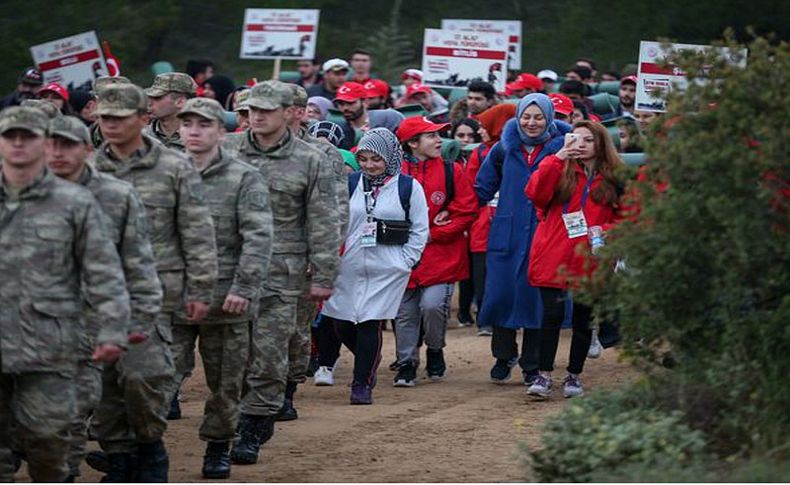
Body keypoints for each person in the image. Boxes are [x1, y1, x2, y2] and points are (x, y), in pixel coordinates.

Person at [90, 83, 218, 481]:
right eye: (104, 118)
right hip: (96, 295)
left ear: (143, 120)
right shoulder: (87, 168)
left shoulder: (174, 167)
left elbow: (197, 233)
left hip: (158, 294)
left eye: (119, 118)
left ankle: (150, 446)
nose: (109, 125)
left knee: (143, 376)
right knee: (104, 385)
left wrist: (201, 288)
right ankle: (121, 458)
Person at [0, 106, 130, 482]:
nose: (19, 144)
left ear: (43, 144)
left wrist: (111, 329)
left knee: (49, 441)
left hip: (51, 347)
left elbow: (104, 270)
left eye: (29, 136)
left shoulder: (73, 202)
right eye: (10, 137)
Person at [223, 81, 342, 466]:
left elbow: (325, 220)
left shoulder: (312, 159)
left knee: (270, 355)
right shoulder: (225, 151)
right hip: (230, 270)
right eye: (250, 110)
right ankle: (230, 423)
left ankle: (253, 429)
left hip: (282, 272)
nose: (256, 116)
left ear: (288, 112)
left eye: (265, 110)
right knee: (230, 356)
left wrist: (323, 272)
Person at [44, 115, 163, 482]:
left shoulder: (115, 195)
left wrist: (140, 319)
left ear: (88, 151)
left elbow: (138, 261)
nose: (58, 153)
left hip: (101, 318)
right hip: (38, 322)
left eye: (68, 145)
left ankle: (141, 457)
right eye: (51, 144)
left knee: (100, 399)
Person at [174, 97, 273, 478]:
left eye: (203, 124)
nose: (194, 131)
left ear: (220, 130)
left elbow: (258, 238)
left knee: (225, 380)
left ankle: (218, 446)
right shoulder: (167, 172)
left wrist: (244, 287)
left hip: (226, 298)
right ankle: (141, 447)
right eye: (187, 124)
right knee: (154, 375)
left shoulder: (243, 176)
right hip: (173, 296)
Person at [322, 128, 429, 403]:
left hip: (388, 267)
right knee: (342, 322)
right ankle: (369, 357)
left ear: (391, 157)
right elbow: (333, 222)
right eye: (364, 158)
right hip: (348, 264)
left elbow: (420, 228)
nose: (369, 165)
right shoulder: (349, 184)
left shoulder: (408, 187)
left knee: (369, 322)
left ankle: (362, 384)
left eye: (376, 159)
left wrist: (406, 260)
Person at [474, 93, 571, 386]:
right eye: (526, 116)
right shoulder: (504, 148)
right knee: (501, 295)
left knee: (536, 300)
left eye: (538, 117)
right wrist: (455, 215)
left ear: (549, 118)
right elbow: (481, 187)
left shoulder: (563, 149)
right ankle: (503, 356)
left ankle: (532, 364)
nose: (531, 123)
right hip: (507, 231)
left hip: (545, 234)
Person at [525, 120, 625, 399]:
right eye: (575, 138)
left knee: (582, 319)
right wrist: (556, 158)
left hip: (591, 256)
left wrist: (605, 231)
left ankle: (574, 375)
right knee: (551, 316)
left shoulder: (616, 177)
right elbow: (534, 193)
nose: (579, 145)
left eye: (587, 140)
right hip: (553, 252)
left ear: (600, 144)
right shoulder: (558, 167)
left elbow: (628, 217)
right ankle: (542, 375)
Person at [392, 117, 478, 386]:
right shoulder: (395, 172)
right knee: (404, 313)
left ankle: (434, 349)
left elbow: (467, 210)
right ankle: (406, 362)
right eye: (431, 136)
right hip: (402, 256)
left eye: (439, 135)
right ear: (412, 143)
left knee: (432, 306)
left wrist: (433, 232)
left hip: (441, 256)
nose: (439, 140)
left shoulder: (453, 171)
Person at [464, 104, 516, 336]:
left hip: (509, 221)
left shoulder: (517, 151)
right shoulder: (480, 152)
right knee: (482, 275)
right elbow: (472, 187)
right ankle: (485, 318)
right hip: (483, 223)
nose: (480, 132)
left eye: (484, 127)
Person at [144, 72, 198, 150]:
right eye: (149, 97)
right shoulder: (141, 137)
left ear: (180, 102)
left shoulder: (199, 137)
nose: (149, 103)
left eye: (157, 98)